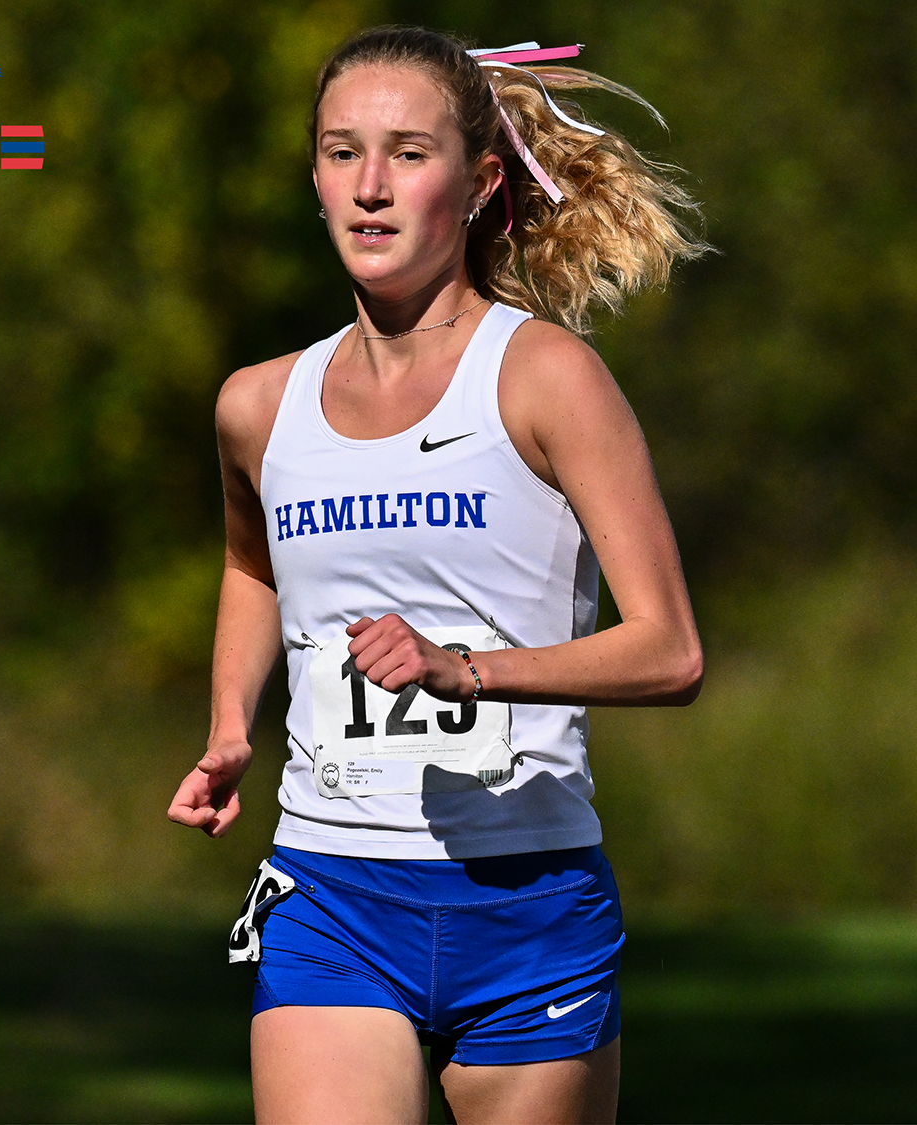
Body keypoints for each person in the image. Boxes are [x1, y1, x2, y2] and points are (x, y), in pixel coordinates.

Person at [166, 28, 707, 1123]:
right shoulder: (255, 405)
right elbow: (251, 563)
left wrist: (464, 670)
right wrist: (231, 719)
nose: (368, 188)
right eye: (338, 152)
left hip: (526, 899)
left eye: (407, 154)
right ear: (311, 176)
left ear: (478, 182)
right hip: (330, 889)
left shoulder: (545, 379)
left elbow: (669, 651)